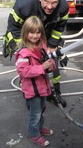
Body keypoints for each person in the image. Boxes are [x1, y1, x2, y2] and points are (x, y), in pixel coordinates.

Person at [3, 0, 69, 107]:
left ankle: (54, 94)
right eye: (46, 2)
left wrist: (52, 44)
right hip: (23, 35)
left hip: (44, 34)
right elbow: (14, 27)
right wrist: (23, 48)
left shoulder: (63, 6)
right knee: (28, 65)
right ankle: (29, 92)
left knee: (51, 63)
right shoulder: (25, 5)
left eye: (54, 3)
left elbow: (60, 26)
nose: (50, 7)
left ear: (58, 0)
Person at [15, 16, 55, 147]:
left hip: (42, 87)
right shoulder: (23, 53)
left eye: (38, 32)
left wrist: (51, 65)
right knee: (35, 113)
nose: (35, 35)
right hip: (32, 91)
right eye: (32, 32)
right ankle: (33, 134)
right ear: (25, 33)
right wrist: (42, 67)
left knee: (41, 109)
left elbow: (49, 61)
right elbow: (23, 71)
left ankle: (39, 127)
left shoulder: (42, 47)